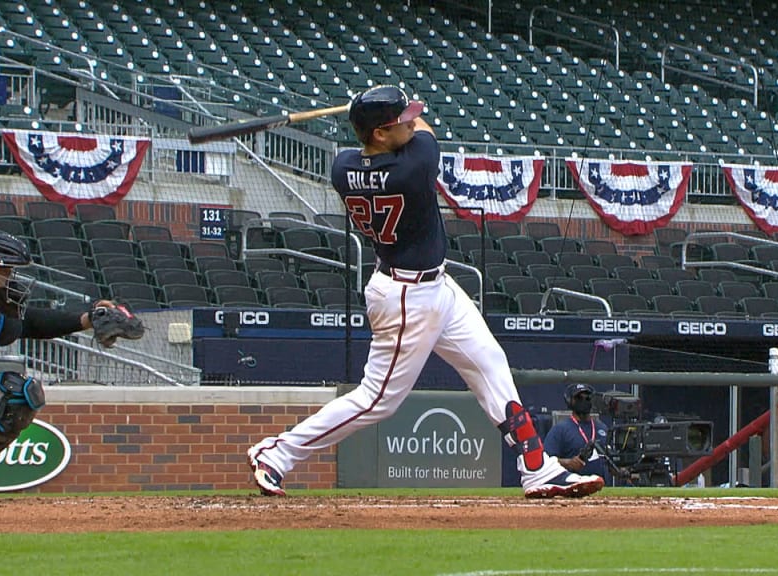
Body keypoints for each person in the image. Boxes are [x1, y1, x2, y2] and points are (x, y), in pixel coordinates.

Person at [245, 85, 604, 499]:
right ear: (379, 133)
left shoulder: (342, 166)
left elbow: (375, 145)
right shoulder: (414, 166)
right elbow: (424, 130)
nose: (411, 121)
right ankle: (277, 453)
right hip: (404, 297)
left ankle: (536, 468)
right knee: (377, 400)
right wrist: (376, 109)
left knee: (490, 364)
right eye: (400, 120)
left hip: (437, 286)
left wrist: (371, 111)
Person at [0, 226, 132, 500]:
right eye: (3, 271)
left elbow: (30, 322)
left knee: (17, 395)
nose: (9, 280)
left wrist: (87, 319)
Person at [543, 384, 610, 486]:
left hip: (602, 488)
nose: (584, 401)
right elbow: (545, 461)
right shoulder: (560, 429)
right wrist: (568, 463)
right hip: (573, 489)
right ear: (570, 401)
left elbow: (610, 460)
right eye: (579, 398)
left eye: (587, 398)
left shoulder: (602, 428)